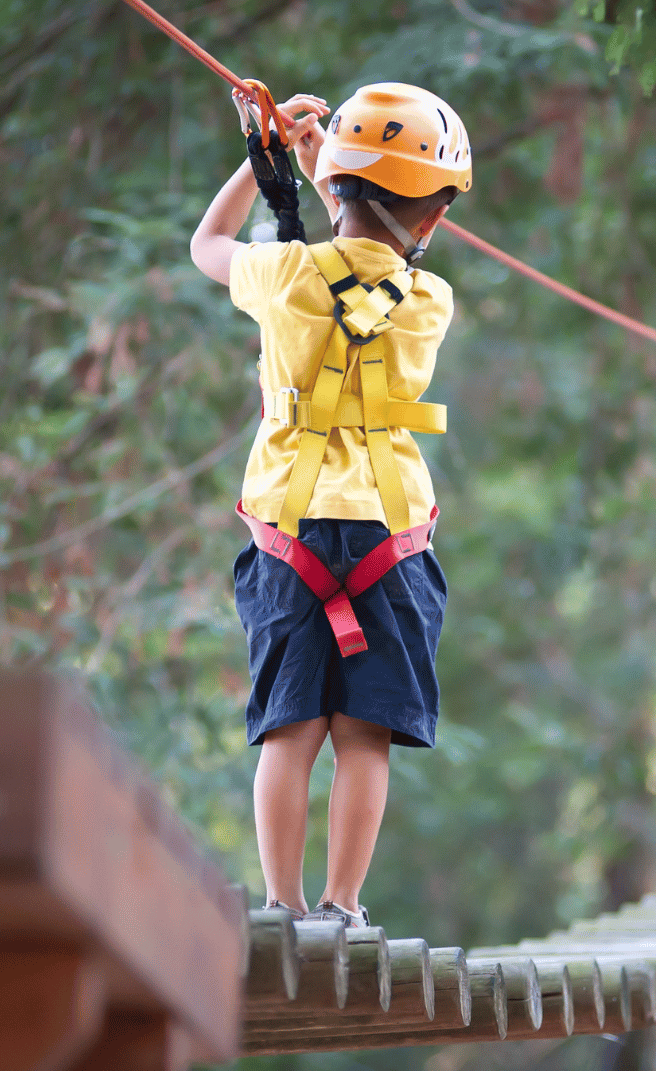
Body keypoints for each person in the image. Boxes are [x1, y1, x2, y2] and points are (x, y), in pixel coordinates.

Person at [188, 83, 473, 927]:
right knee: (364, 736)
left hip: (292, 532)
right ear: (434, 220)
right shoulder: (430, 301)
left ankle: (279, 901)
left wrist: (260, 159)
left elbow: (207, 243)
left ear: (340, 187)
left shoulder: (280, 275)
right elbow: (380, 258)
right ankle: (342, 904)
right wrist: (324, 172)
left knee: (291, 730)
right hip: (391, 535)